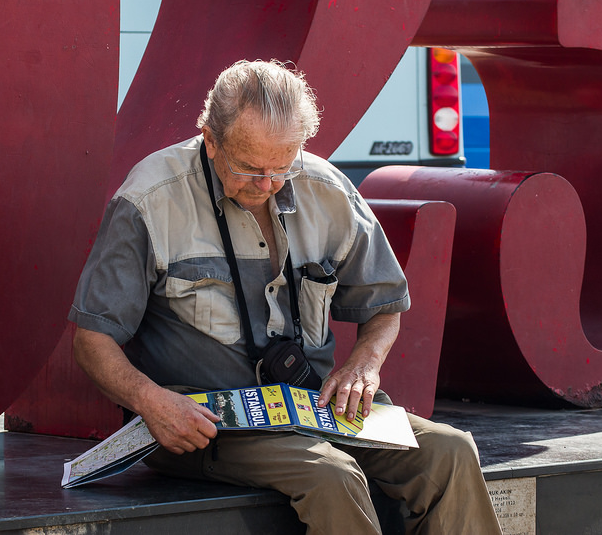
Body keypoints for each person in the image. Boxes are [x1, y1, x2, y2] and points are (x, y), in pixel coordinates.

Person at [69, 59, 503, 534]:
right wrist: (152, 403)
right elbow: (92, 341)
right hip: (208, 422)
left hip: (313, 405)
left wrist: (364, 365)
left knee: (452, 451)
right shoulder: (149, 199)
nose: (268, 184)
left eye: (283, 165)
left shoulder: (327, 187)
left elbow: (384, 307)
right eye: (250, 168)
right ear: (210, 140)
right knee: (332, 475)